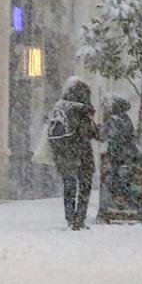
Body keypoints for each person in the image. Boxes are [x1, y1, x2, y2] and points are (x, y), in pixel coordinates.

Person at [48, 78, 98, 230]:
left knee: (69, 186)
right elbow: (89, 132)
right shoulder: (82, 110)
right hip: (82, 153)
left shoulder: (60, 107)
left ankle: (70, 218)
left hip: (64, 154)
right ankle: (80, 219)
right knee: (84, 186)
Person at [99, 95, 142, 222]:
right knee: (121, 184)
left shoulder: (113, 120)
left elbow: (103, 136)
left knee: (113, 185)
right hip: (127, 158)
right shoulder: (126, 119)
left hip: (118, 159)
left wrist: (98, 127)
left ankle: (105, 213)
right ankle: (137, 208)